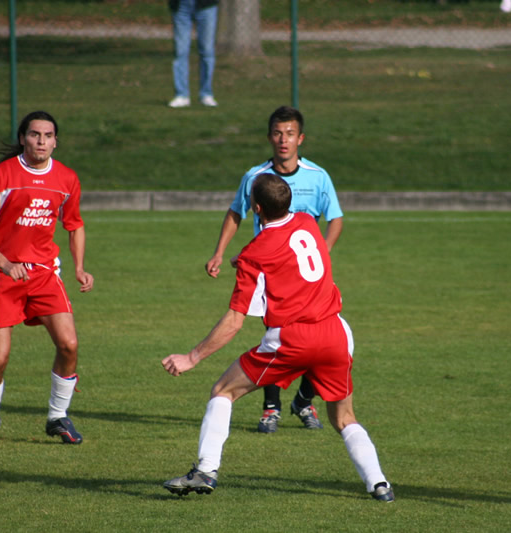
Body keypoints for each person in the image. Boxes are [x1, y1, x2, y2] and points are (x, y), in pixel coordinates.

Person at [162, 174, 393, 502]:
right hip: (335, 333)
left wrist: (192, 357)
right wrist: (242, 260)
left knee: (223, 391)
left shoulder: (254, 255)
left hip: (293, 339)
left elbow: (234, 322)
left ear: (256, 208)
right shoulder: (306, 222)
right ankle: (379, 484)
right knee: (344, 418)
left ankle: (206, 470)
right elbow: (284, 252)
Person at [205, 106, 344, 433]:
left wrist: (322, 251)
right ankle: (271, 408)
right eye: (278, 133)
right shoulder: (255, 177)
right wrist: (218, 252)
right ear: (270, 137)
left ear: (301, 139)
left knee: (317, 334)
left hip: (309, 274)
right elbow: (235, 212)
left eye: (290, 133)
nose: (284, 140)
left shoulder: (318, 176)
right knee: (276, 336)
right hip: (270, 272)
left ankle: (304, 400)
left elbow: (335, 217)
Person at [0, 110, 94, 447]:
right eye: (35, 135)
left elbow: (75, 224)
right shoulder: (2, 175)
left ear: (55, 141)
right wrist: (5, 264)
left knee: (69, 344)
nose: (42, 141)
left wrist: (79, 267)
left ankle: (57, 416)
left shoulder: (66, 178)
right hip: (4, 276)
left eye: (48, 136)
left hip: (45, 275)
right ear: (23, 138)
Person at [167, 0, 219, 108]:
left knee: (207, 51)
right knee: (180, 52)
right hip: (180, 6)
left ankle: (206, 94)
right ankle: (182, 95)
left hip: (206, 6)